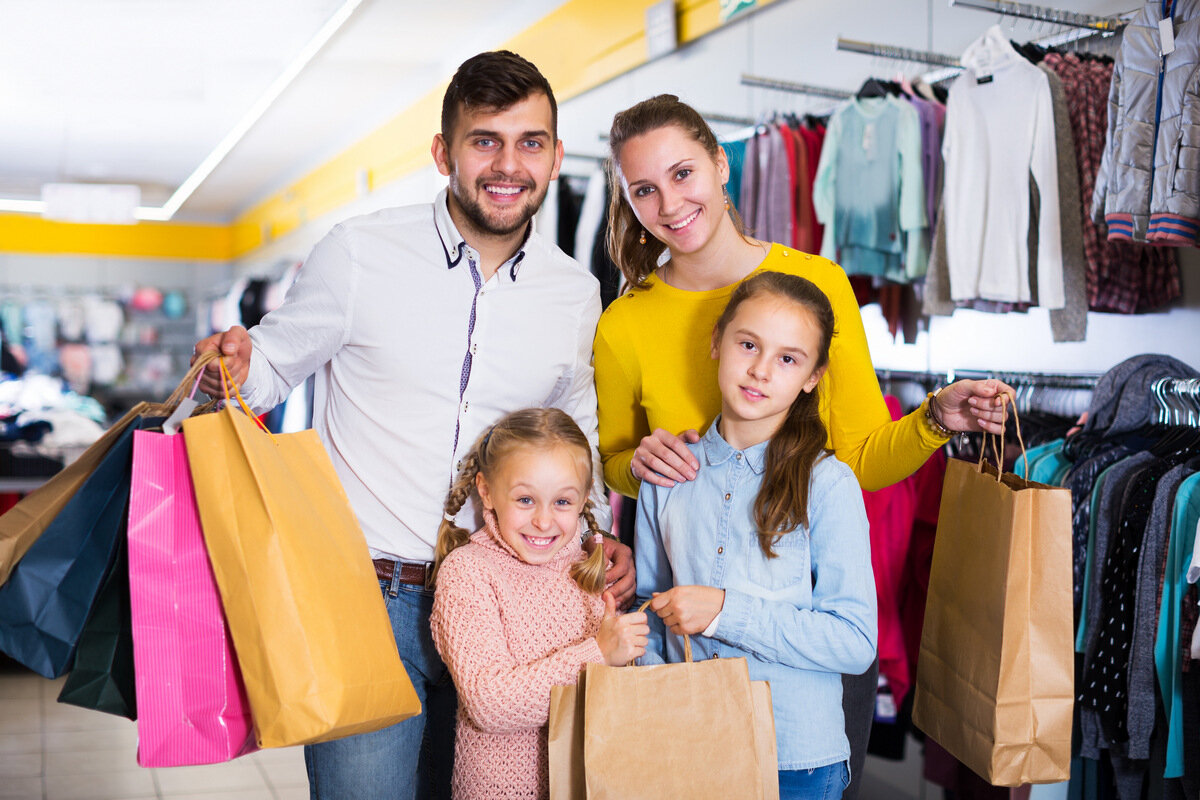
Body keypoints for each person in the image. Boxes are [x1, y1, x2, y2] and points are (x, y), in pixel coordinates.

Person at [192, 51, 634, 800]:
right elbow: (270, 367)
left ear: (557, 156)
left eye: (530, 142)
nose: (508, 164)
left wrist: (592, 537)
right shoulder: (360, 253)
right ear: (443, 152)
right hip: (366, 596)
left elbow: (574, 435)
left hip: (512, 598)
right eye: (484, 140)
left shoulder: (574, 292)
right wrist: (230, 366)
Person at [594, 94, 1013, 800]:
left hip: (800, 660)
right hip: (692, 666)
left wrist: (934, 420)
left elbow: (856, 458)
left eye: (683, 173)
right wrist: (636, 465)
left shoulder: (817, 284)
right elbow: (616, 463)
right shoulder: (624, 323)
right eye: (644, 189)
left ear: (720, 165)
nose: (669, 203)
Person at [637, 271, 876, 800]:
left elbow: (855, 642)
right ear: (718, 340)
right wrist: (656, 689)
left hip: (795, 763)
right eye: (749, 344)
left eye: (788, 359)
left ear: (813, 376)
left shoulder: (829, 484)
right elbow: (646, 606)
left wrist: (726, 611)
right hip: (682, 749)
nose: (761, 370)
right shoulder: (669, 471)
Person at [430, 408, 649, 800]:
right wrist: (597, 653)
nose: (544, 522)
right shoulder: (467, 573)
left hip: (590, 784)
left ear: (584, 500)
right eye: (526, 499)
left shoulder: (587, 568)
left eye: (562, 502)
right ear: (486, 490)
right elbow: (488, 702)